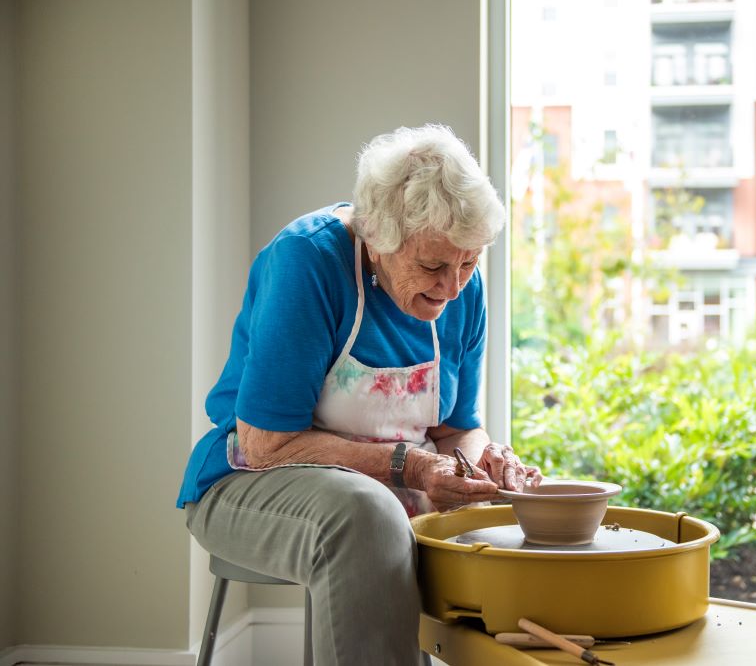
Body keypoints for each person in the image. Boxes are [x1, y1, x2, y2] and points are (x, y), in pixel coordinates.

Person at [177, 124, 541, 665]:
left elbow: (454, 428)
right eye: (433, 266)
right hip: (247, 482)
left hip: (391, 489)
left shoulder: (464, 287)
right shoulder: (308, 262)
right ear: (376, 238)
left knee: (513, 523)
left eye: (469, 262)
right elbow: (266, 445)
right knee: (366, 515)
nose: (453, 286)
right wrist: (412, 468)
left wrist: (480, 461)